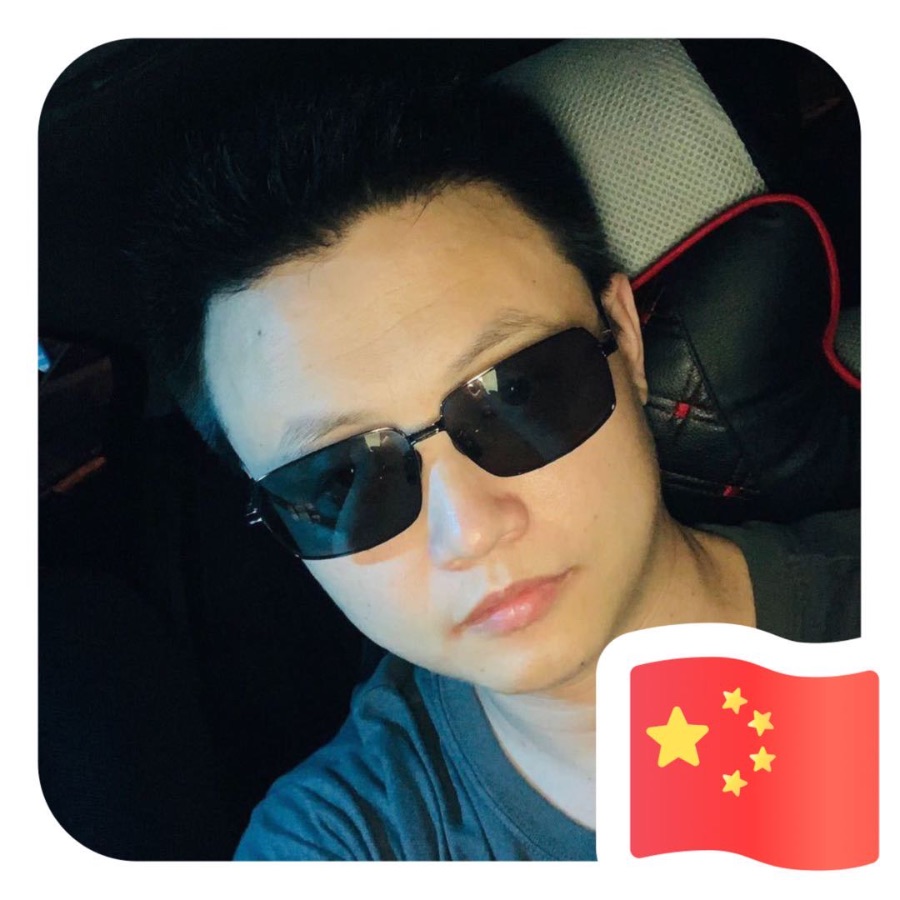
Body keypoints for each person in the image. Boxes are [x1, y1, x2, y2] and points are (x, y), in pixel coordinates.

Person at [135, 75, 859, 861]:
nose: (471, 530)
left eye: (516, 392)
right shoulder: (337, 844)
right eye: (341, 478)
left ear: (625, 338)